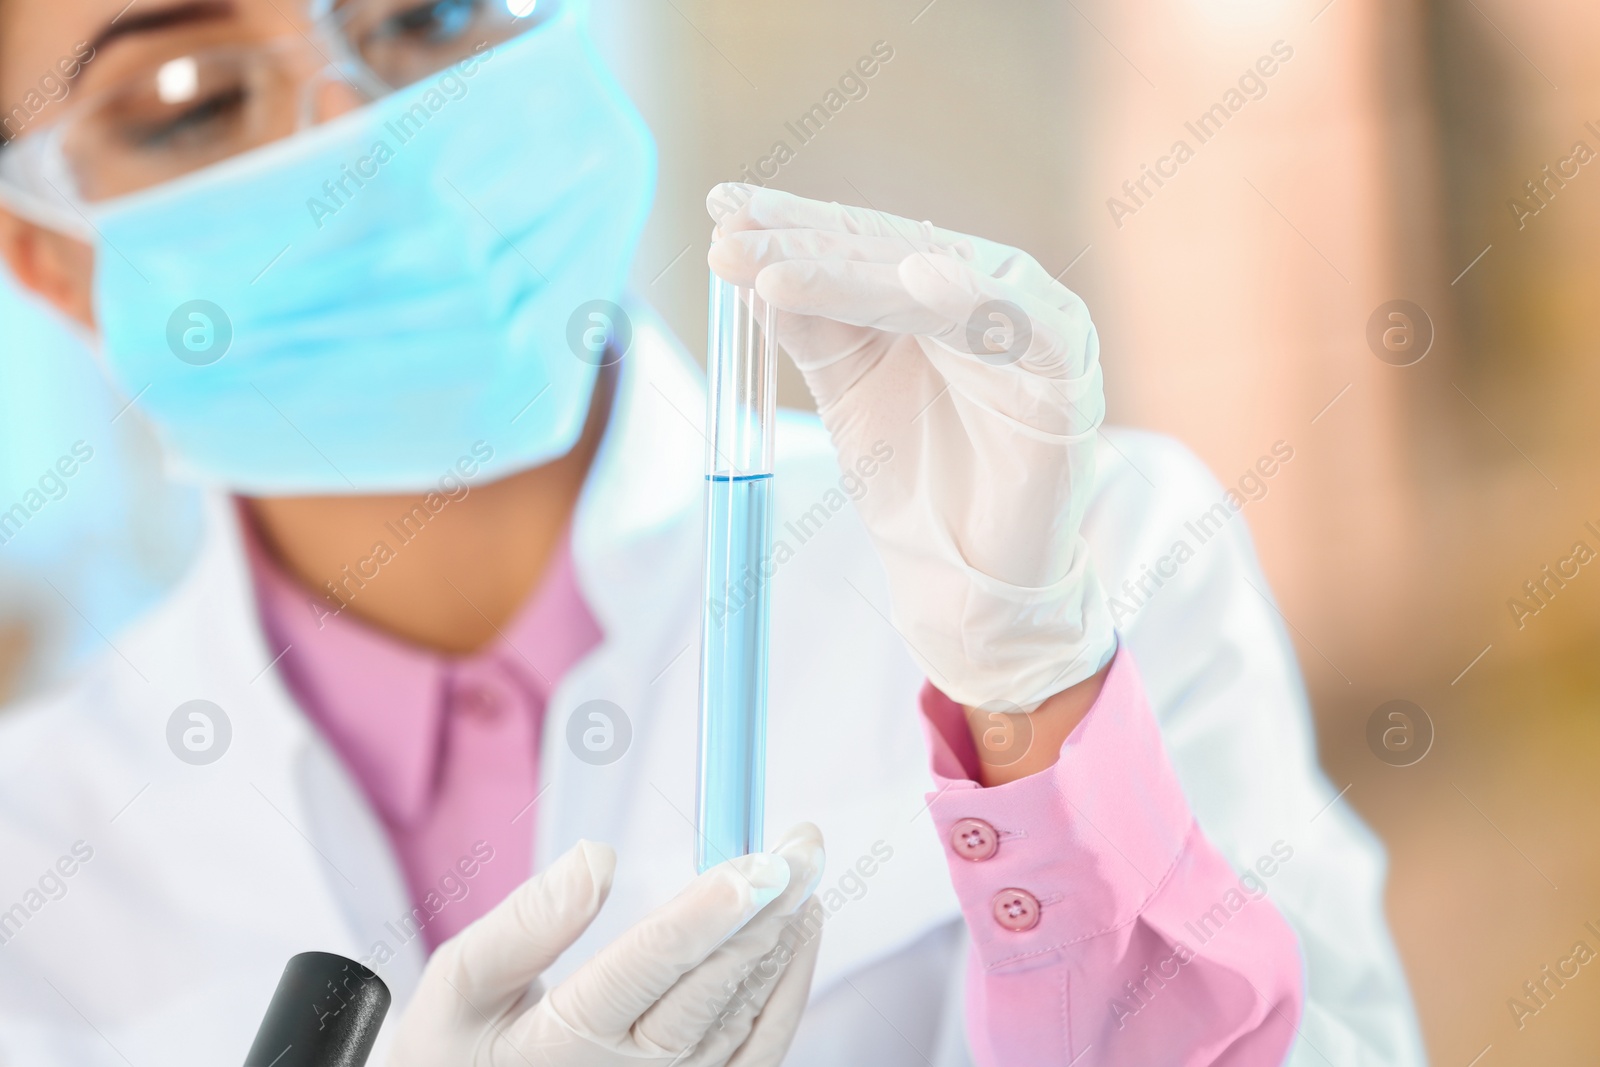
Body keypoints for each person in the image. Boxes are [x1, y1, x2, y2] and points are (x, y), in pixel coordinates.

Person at [0, 0, 1427, 1063]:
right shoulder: (35, 868)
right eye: (184, 99)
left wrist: (1038, 728)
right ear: (48, 258)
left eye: (432, 12)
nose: (353, 143)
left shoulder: (1070, 572)